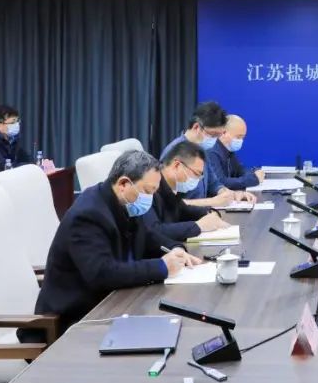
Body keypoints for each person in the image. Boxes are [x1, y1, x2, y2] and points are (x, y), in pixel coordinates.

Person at [24, 150, 202, 341]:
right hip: (74, 321)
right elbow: (103, 273)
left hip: (113, 305)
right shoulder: (88, 215)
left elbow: (149, 237)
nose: (150, 199)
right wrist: (162, 267)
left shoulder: (124, 203)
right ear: (124, 184)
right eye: (147, 191)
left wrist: (176, 249)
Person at [147, 141, 231, 241]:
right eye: (196, 174)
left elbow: (184, 210)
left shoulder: (172, 190)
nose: (197, 180)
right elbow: (154, 231)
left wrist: (210, 212)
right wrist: (198, 226)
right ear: (177, 165)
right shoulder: (150, 187)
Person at [159, 100, 228, 165]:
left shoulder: (202, 150)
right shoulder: (174, 151)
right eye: (213, 134)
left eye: (218, 136)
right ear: (196, 127)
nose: (214, 140)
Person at [207, 114, 265, 191]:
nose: (240, 141)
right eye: (238, 137)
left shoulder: (229, 149)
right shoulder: (212, 151)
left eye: (243, 137)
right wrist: (253, 179)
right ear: (223, 133)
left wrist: (252, 175)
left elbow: (241, 169)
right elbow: (221, 182)